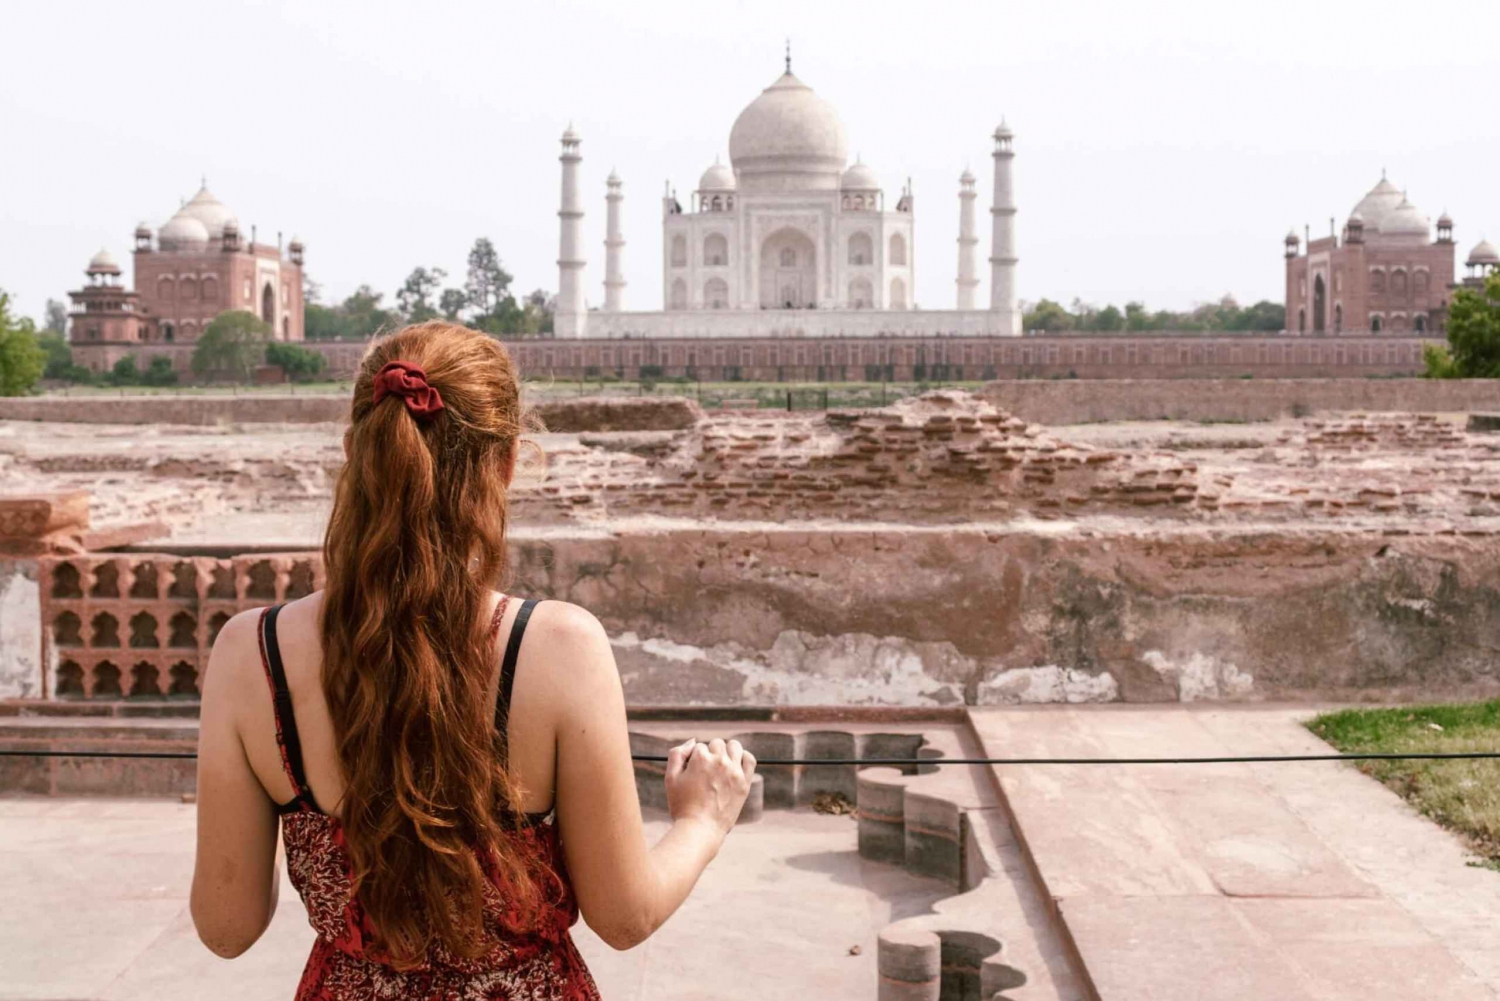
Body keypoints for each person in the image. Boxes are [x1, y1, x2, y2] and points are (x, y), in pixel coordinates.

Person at [190, 322, 756, 999]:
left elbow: (226, 928)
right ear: (509, 463)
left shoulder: (252, 652)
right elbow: (625, 914)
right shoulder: (558, 648)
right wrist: (703, 819)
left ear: (355, 452)